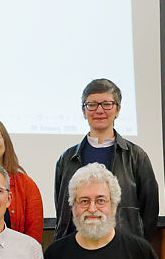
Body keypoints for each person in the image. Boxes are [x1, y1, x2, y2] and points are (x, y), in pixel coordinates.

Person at [53, 78, 159, 241]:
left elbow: (150, 212)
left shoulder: (136, 157)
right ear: (84, 111)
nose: (99, 110)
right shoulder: (67, 159)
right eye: (92, 105)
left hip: (124, 246)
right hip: (75, 247)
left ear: (117, 110)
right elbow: (62, 210)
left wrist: (136, 245)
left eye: (107, 104)